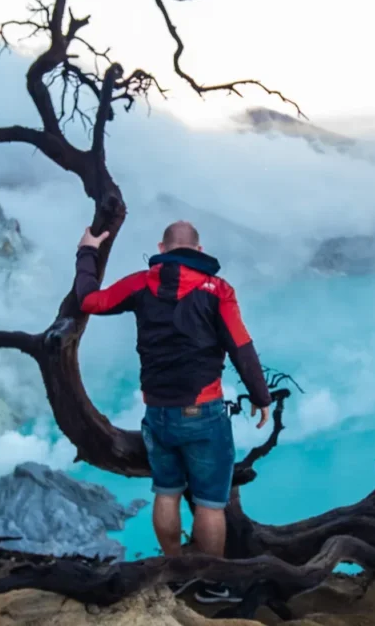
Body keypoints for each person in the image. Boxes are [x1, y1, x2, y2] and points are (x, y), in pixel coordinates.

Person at [74, 220, 271, 604]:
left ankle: (174, 569)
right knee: (211, 503)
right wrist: (261, 397)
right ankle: (212, 583)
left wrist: (87, 251)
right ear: (199, 252)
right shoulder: (219, 290)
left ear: (162, 248)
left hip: (157, 414)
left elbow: (89, 301)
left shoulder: (140, 283)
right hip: (204, 412)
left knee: (167, 493)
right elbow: (241, 346)